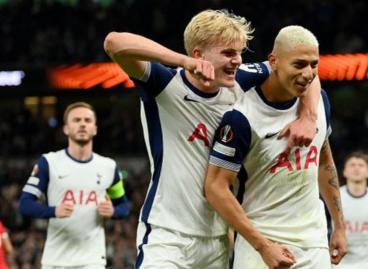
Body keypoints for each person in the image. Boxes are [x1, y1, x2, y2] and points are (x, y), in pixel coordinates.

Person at [103, 9, 320, 269]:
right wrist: (182, 62)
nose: (237, 61)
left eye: (239, 53)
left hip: (217, 239)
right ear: (198, 54)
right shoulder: (164, 85)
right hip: (167, 235)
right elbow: (114, 42)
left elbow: (303, 70)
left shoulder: (243, 80)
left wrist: (308, 116)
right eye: (228, 53)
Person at [205, 25, 347, 269]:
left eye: (314, 64)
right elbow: (215, 187)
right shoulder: (241, 117)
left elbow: (324, 163)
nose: (308, 74)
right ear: (273, 61)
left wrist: (340, 226)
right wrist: (263, 246)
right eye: (299, 64)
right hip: (260, 247)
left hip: (314, 245)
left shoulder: (319, 102)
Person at [18, 102, 130, 269]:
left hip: (93, 260)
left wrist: (113, 211)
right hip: (55, 259)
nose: (82, 124)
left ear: (95, 128)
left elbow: (124, 205)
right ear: (66, 128)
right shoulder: (49, 162)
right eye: (76, 120)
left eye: (87, 120)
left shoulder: (108, 167)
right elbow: (24, 204)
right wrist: (53, 211)